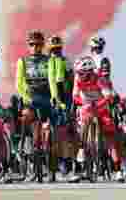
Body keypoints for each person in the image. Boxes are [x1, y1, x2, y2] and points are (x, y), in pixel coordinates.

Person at [73, 56, 126, 182]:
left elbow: (108, 97)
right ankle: (79, 166)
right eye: (78, 73)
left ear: (90, 71)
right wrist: (84, 103)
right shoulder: (77, 78)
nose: (79, 75)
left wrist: (97, 104)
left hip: (101, 106)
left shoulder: (99, 79)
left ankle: (118, 170)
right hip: (87, 106)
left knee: (110, 136)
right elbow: (75, 97)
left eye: (82, 73)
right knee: (83, 127)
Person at [15, 30, 58, 172]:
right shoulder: (22, 61)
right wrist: (26, 97)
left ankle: (52, 161)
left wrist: (54, 96)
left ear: (42, 45)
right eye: (32, 45)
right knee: (26, 117)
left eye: (38, 45)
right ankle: (25, 148)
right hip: (30, 97)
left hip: (46, 96)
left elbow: (52, 80)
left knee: (55, 123)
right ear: (29, 46)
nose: (35, 47)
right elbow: (19, 84)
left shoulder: (49, 60)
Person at [47, 35, 76, 180]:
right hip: (48, 101)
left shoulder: (66, 61)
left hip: (63, 101)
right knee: (49, 136)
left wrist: (68, 101)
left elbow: (71, 81)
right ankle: (51, 169)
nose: (56, 51)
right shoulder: (46, 63)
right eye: (53, 49)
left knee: (63, 134)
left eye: (58, 49)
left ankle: (66, 165)